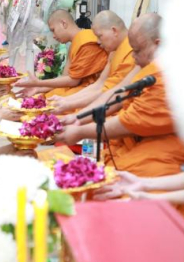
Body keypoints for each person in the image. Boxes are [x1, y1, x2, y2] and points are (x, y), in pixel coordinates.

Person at [54, 13, 184, 177]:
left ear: (158, 44)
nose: (134, 58)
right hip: (133, 137)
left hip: (164, 148)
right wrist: (78, 118)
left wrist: (81, 131)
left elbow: (131, 121)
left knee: (115, 176)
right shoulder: (149, 62)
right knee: (104, 165)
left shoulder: (171, 75)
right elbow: (118, 93)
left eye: (137, 51)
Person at [50, 10, 137, 114]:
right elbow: (100, 84)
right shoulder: (113, 51)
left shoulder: (133, 52)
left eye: (100, 36)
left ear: (114, 31)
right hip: (103, 99)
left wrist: (69, 103)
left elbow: (111, 91)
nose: (98, 42)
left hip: (118, 109)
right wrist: (66, 100)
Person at [16, 9, 108, 98]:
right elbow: (65, 77)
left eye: (53, 30)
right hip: (78, 88)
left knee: (50, 103)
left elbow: (73, 81)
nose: (54, 36)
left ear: (63, 24)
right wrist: (38, 88)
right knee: (45, 98)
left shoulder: (86, 42)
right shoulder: (75, 44)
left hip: (91, 91)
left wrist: (39, 83)